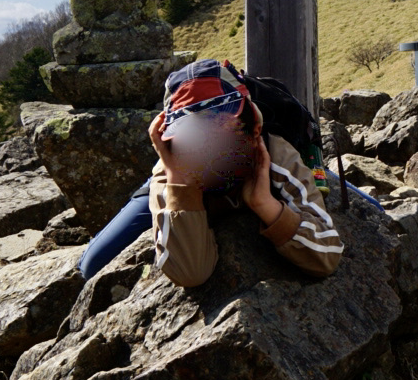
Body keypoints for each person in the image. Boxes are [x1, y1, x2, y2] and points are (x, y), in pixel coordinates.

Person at [77, 58, 341, 284]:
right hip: (177, 176)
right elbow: (190, 272)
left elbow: (326, 254)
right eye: (194, 133)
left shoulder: (274, 154)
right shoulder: (171, 168)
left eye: (222, 125)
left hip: (269, 158)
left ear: (254, 125)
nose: (212, 144)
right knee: (92, 265)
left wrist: (265, 204)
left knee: (368, 203)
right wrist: (179, 181)